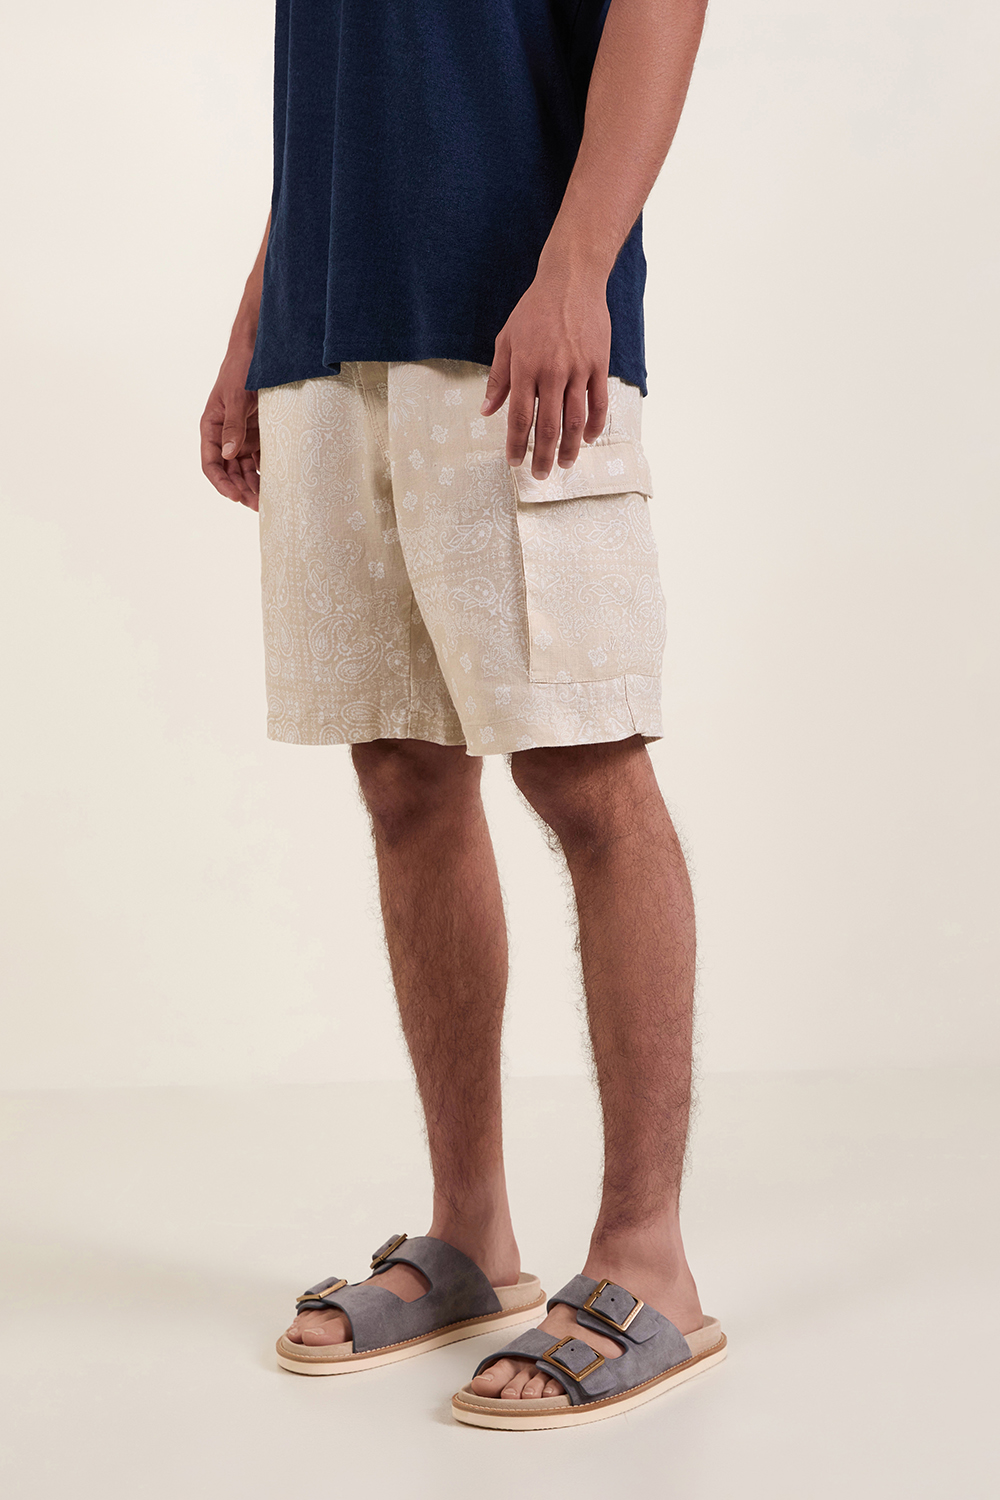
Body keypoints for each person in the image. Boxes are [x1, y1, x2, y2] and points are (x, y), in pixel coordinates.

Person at [200, 0, 724, 1431]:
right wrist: (260, 316)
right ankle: (470, 1236)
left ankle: (649, 1262)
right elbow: (347, 79)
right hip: (328, 324)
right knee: (402, 774)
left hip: (515, 318)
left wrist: (579, 266)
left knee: (583, 769)